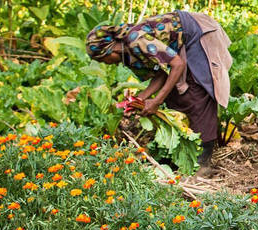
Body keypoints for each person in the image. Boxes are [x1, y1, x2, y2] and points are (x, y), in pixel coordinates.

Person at [85, 10, 232, 177]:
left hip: (198, 33)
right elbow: (162, 72)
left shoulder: (136, 41)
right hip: (182, 45)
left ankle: (202, 165)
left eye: (102, 60)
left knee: (196, 96)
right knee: (175, 97)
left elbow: (177, 64)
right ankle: (184, 157)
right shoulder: (129, 50)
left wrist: (156, 101)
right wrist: (141, 98)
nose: (106, 64)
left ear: (109, 51)